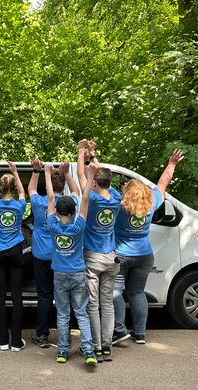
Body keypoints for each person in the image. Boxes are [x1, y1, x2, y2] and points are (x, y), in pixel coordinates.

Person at [113, 149, 184, 345]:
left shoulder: (119, 207)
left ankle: (119, 330)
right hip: (144, 255)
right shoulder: (151, 203)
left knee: (115, 292)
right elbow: (163, 183)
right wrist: (172, 164)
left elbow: (101, 186)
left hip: (121, 255)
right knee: (136, 293)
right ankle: (140, 333)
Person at [45, 158, 98, 366]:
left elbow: (50, 197)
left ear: (57, 211)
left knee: (63, 314)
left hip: (59, 273)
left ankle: (63, 351)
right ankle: (88, 350)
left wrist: (48, 174)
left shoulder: (52, 225)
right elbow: (84, 199)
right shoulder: (78, 227)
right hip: (77, 273)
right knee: (81, 313)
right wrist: (90, 175)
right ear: (74, 212)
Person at [77, 139, 122, 362]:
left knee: (93, 305)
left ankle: (95, 346)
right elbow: (106, 179)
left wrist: (81, 152)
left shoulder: (92, 199)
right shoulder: (115, 199)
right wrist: (93, 155)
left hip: (92, 257)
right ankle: (106, 346)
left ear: (93, 183)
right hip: (112, 258)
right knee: (107, 304)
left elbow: (80, 176)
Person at [28, 160, 80, 348]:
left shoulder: (40, 202)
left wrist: (37, 171)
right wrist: (67, 173)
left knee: (44, 295)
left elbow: (31, 189)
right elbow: (76, 192)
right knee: (63, 297)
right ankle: (64, 335)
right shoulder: (69, 203)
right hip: (62, 255)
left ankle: (41, 335)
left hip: (41, 255)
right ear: (63, 185)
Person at [0, 161, 27, 352]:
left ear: (1, 189)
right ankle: (16, 341)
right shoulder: (20, 206)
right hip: (16, 252)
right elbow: (22, 194)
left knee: (0, 297)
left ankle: (3, 340)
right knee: (17, 296)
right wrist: (15, 173)